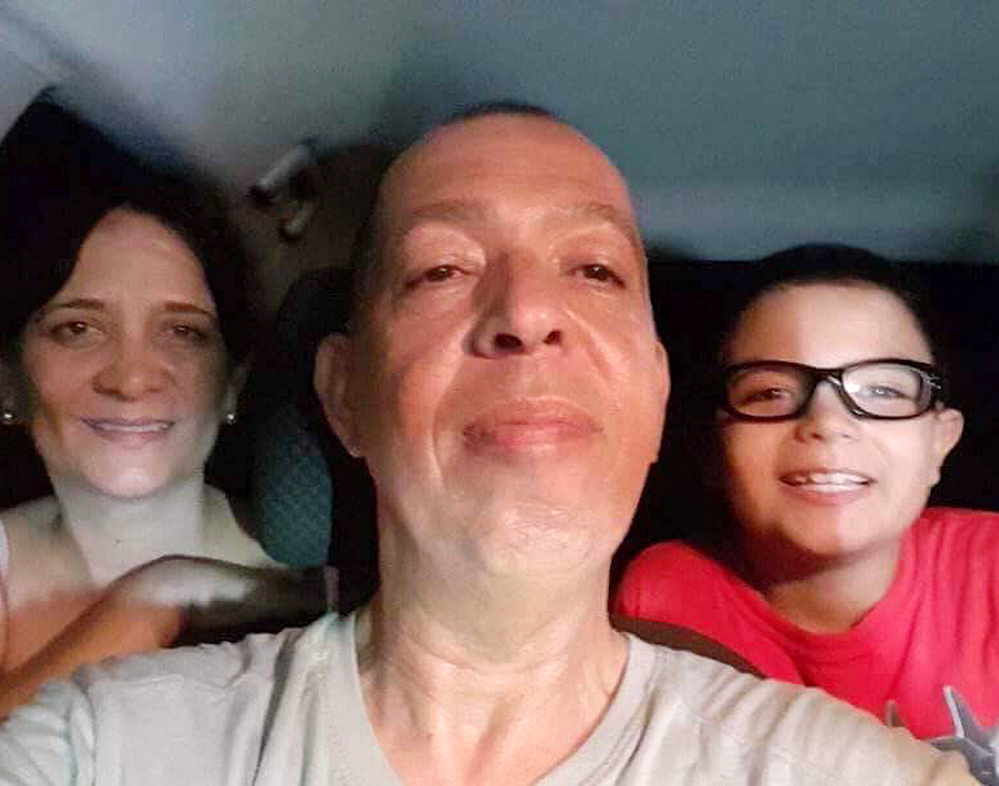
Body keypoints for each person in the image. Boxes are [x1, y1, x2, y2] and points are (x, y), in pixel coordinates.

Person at [0, 108, 975, 784]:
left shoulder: (845, 769)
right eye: (440, 270)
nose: (526, 312)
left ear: (657, 391)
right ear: (342, 394)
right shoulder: (102, 744)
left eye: (592, 268)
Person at [613, 245, 997, 769]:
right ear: (713, 451)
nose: (827, 420)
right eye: (770, 392)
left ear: (940, 443)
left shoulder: (990, 566)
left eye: (882, 389)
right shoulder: (666, 600)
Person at [0, 150, 324, 720]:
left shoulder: (325, 579)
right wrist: (145, 608)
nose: (131, 379)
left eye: (182, 332)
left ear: (232, 387)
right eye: (77, 328)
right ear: (8, 384)